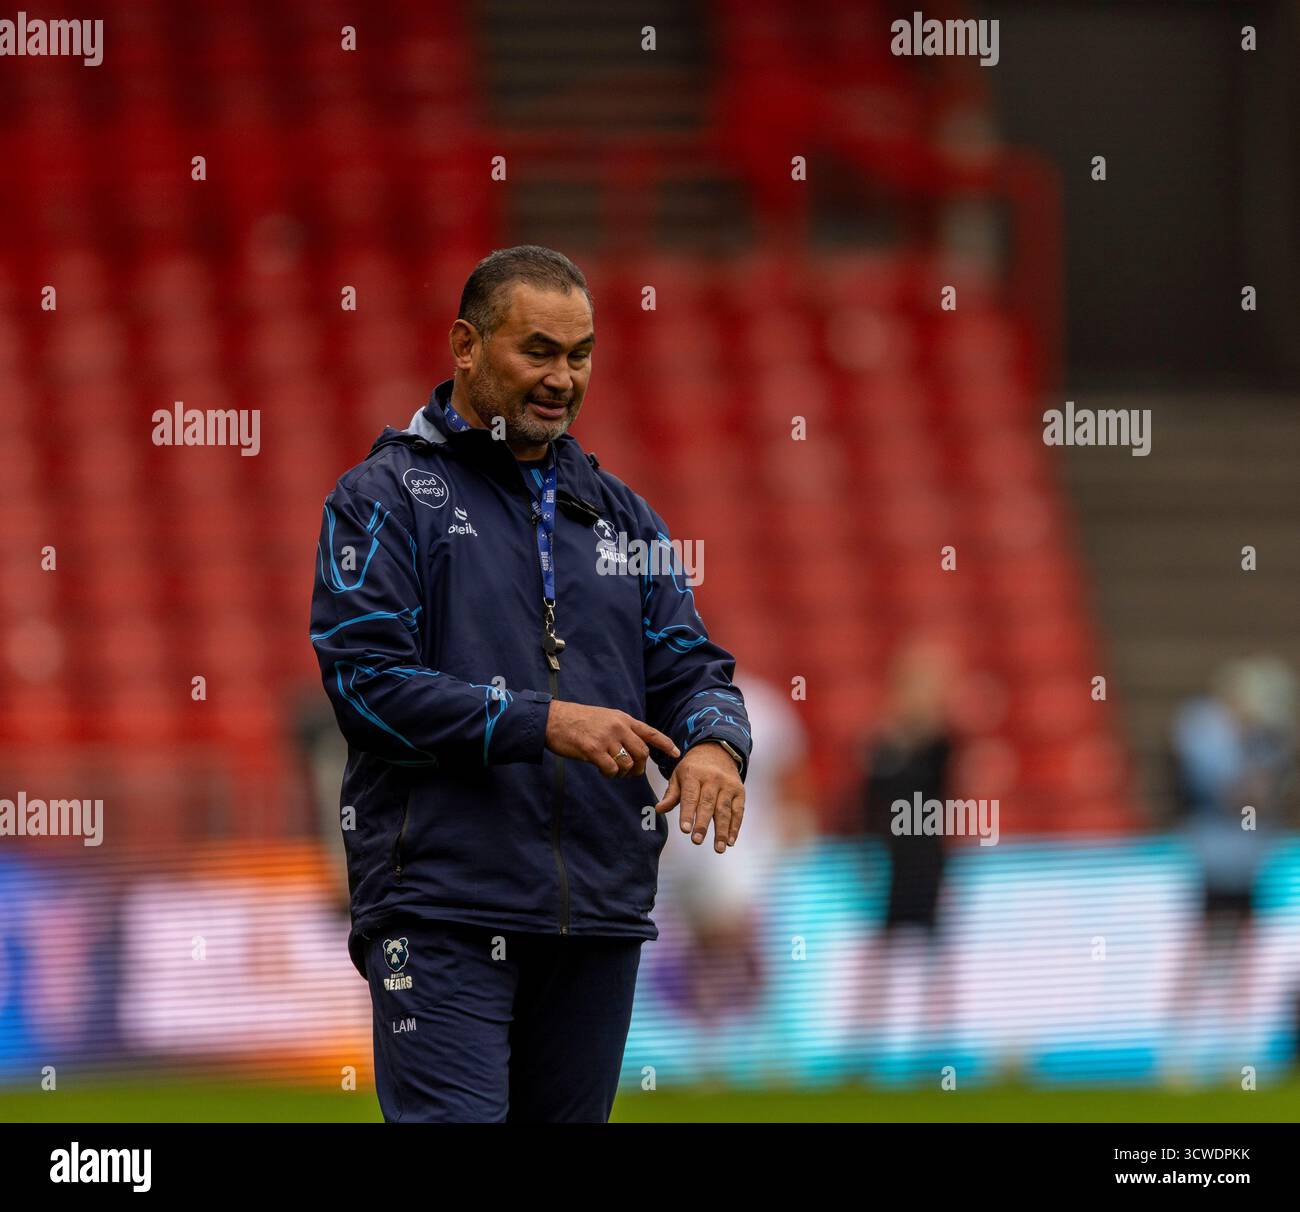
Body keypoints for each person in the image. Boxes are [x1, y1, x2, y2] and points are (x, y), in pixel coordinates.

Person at [308, 245, 752, 1122]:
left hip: (596, 914)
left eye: (580, 354)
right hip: (443, 909)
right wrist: (541, 721)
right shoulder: (382, 499)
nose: (563, 377)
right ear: (465, 345)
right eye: (538, 351)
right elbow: (365, 685)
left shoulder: (626, 515)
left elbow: (694, 665)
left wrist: (713, 743)